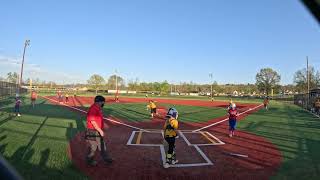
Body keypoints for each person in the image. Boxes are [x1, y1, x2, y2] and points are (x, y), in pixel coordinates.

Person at [85, 95, 113, 166]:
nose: (103, 103)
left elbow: (98, 119)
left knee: (101, 145)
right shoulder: (93, 109)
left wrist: (104, 125)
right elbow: (93, 121)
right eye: (102, 102)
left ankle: (106, 158)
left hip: (96, 130)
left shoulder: (98, 108)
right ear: (99, 102)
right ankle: (90, 161)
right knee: (94, 147)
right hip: (92, 131)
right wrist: (100, 130)